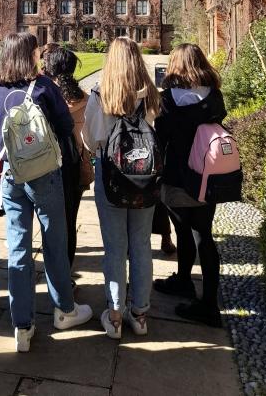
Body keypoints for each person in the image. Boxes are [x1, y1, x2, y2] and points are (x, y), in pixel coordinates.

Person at [0, 33, 92, 353]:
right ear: (29, 54)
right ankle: (64, 310)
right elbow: (64, 128)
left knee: (18, 247)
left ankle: (22, 325)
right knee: (54, 241)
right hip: (44, 174)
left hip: (11, 174)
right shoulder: (44, 86)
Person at [82, 37, 160, 339]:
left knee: (115, 247)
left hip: (111, 173)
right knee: (141, 244)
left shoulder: (101, 95)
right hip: (145, 174)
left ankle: (114, 315)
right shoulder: (151, 95)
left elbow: (90, 139)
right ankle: (139, 313)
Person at [153, 43, 226, 328]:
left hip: (178, 175)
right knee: (203, 234)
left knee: (186, 232)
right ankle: (196, 290)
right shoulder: (215, 97)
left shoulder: (168, 100)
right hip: (208, 172)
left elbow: (161, 138)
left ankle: (205, 303)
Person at [42, 48, 94, 278]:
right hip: (76, 165)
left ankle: (53, 273)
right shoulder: (86, 99)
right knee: (69, 220)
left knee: (49, 223)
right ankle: (64, 274)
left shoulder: (44, 96)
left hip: (46, 165)